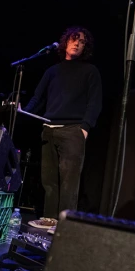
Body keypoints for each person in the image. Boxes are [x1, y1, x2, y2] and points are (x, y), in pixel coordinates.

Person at [23, 26, 102, 219]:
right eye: (74, 39)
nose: (77, 43)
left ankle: (63, 227)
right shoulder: (52, 71)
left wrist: (85, 127)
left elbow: (95, 101)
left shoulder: (90, 71)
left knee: (69, 183)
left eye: (82, 41)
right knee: (48, 181)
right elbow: (37, 98)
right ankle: (50, 220)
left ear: (86, 47)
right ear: (65, 42)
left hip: (72, 131)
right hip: (48, 130)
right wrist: (23, 112)